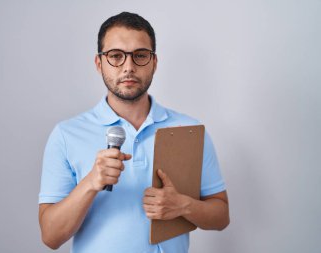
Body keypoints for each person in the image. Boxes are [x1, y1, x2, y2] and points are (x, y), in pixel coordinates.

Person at [38, 12, 229, 253]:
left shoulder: (189, 130)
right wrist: (90, 183)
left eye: (140, 56)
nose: (128, 67)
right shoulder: (66, 135)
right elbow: (50, 236)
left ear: (154, 63)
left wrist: (184, 206)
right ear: (99, 64)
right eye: (116, 56)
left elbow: (221, 216)